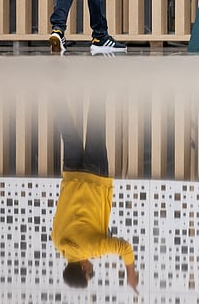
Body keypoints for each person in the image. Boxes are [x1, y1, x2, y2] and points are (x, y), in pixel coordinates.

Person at [51, 95, 140, 293]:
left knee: (95, 128)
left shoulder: (91, 249)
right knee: (68, 131)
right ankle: (53, 87)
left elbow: (124, 248)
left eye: (89, 274)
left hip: (95, 179)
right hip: (72, 175)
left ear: (83, 268)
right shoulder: (57, 242)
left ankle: (99, 73)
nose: (92, 270)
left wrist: (131, 273)